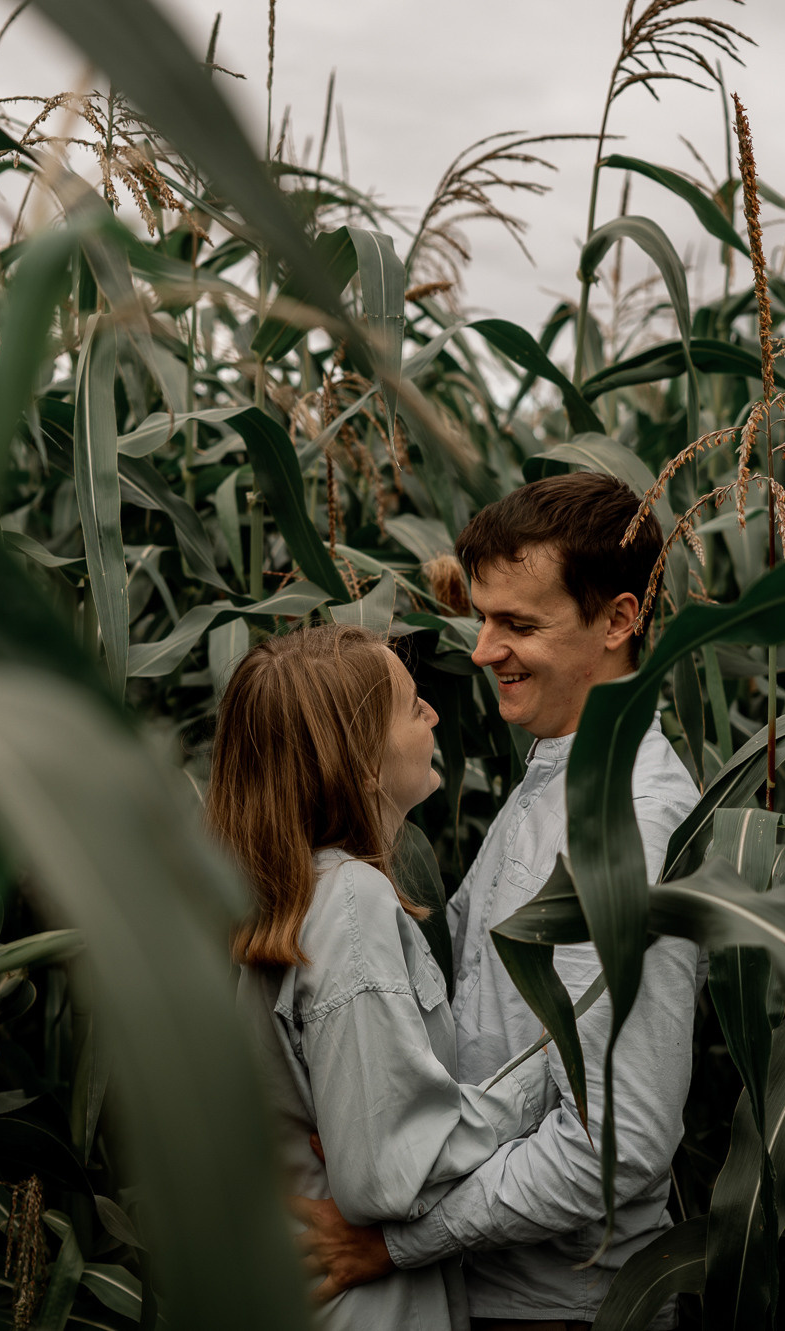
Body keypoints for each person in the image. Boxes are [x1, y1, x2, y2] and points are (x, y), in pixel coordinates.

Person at [293, 472, 701, 1331]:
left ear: (621, 621)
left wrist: (398, 1242)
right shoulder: (553, 778)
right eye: (483, 617)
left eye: (518, 624)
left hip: (565, 1306)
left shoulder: (621, 828)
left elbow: (613, 1144)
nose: (481, 650)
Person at [215, 624, 555, 1331]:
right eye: (410, 706)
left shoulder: (280, 895)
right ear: (362, 762)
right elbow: (389, 1171)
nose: (433, 713)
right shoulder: (348, 902)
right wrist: (547, 1072)